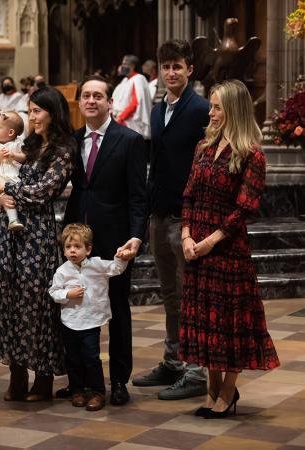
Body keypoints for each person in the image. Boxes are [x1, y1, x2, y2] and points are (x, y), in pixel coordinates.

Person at [179, 79, 280, 418]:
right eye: (211, 105)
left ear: (234, 109)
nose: (211, 112)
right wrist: (187, 237)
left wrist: (209, 242)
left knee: (229, 323)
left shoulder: (252, 155)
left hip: (228, 251)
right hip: (197, 247)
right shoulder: (203, 147)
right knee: (205, 324)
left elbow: (245, 208)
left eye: (218, 106)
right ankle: (211, 392)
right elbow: (189, 194)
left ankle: (226, 392)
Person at [62, 75, 148, 406]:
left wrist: (136, 236)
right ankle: (80, 381)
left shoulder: (129, 141)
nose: (92, 101)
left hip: (115, 240)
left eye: (99, 95)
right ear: (80, 102)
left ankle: (119, 381)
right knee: (74, 307)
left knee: (117, 309)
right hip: (76, 242)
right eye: (86, 96)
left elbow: (138, 197)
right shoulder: (72, 140)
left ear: (110, 102)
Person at [133, 39, 210, 400]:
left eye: (178, 66)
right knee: (169, 293)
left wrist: (194, 216)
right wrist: (149, 206)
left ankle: (196, 371)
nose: (172, 72)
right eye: (166, 67)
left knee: (190, 294)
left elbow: (203, 165)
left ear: (189, 69)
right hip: (160, 212)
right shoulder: (158, 108)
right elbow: (157, 161)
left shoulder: (200, 109)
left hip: (186, 217)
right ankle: (173, 360)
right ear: (159, 72)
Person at [0, 86, 75, 402]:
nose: (32, 116)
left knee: (36, 303)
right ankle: (17, 372)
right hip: (9, 231)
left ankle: (43, 377)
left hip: (36, 235)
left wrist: (5, 187)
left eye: (37, 110)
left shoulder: (63, 150)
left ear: (54, 113)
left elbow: (43, 191)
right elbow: (4, 177)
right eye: (30, 110)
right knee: (8, 298)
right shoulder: (31, 144)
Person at [49, 224, 133, 411]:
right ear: (63, 250)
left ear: (88, 249)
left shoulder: (97, 265)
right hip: (69, 321)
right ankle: (77, 390)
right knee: (73, 359)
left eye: (77, 247)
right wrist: (67, 295)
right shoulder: (62, 271)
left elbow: (115, 269)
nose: (72, 251)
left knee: (91, 357)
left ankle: (97, 392)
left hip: (90, 321)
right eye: (68, 247)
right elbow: (54, 292)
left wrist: (122, 257)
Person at [112, 55, 152, 138]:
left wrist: (121, 118)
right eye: (122, 64)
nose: (122, 66)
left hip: (129, 122)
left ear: (133, 66)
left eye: (125, 64)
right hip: (119, 119)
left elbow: (135, 103)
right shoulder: (125, 80)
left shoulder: (138, 79)